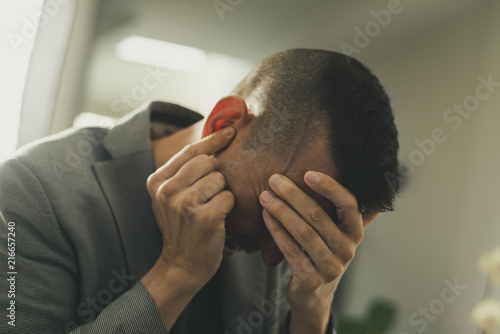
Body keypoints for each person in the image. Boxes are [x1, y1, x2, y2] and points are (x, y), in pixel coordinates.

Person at [0, 48, 400, 334]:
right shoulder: (30, 193)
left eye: (296, 230)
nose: (273, 256)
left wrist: (312, 312)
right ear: (223, 123)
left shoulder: (293, 250)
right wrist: (177, 272)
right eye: (271, 212)